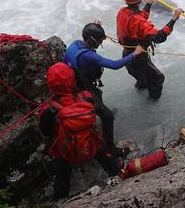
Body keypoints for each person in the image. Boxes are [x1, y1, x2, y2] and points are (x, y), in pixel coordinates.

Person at [64, 22, 145, 174]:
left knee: (98, 97)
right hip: (83, 89)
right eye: (99, 41)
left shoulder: (75, 45)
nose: (101, 43)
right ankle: (112, 149)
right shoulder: (88, 55)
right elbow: (114, 65)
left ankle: (98, 115)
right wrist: (135, 54)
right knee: (108, 116)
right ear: (91, 40)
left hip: (77, 84)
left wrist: (95, 27)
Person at [38, 63, 123, 199]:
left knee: (60, 169)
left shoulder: (48, 109)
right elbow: (104, 114)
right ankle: (118, 174)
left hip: (65, 152)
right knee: (103, 150)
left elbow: (46, 134)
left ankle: (60, 200)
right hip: (91, 144)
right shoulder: (86, 96)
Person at [116, 0, 184, 100]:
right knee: (158, 79)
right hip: (139, 58)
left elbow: (137, 20)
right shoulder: (139, 21)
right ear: (139, 0)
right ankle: (153, 100)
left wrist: (148, 4)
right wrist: (174, 18)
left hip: (127, 55)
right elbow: (159, 37)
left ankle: (141, 86)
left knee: (142, 78)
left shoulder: (122, 12)